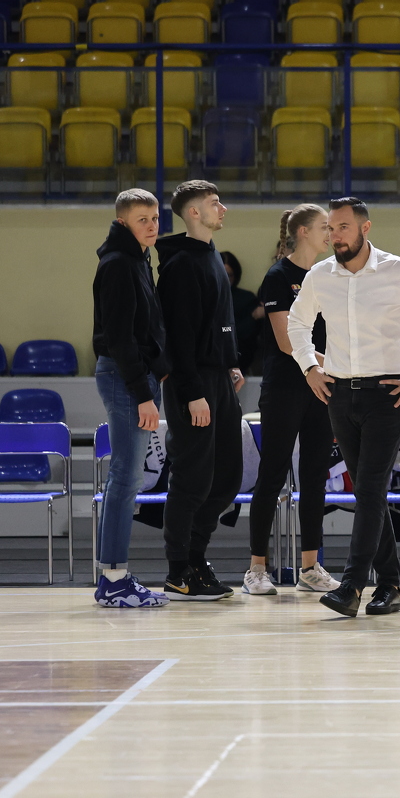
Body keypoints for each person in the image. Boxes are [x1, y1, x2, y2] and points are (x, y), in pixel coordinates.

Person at [290, 198, 400, 618]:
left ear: (365, 228)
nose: (335, 236)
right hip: (339, 392)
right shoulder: (320, 276)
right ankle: (390, 585)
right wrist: (309, 366)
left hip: (388, 394)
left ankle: (351, 586)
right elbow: (297, 322)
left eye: (343, 227)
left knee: (368, 490)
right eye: (330, 228)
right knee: (369, 494)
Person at [241, 204, 339, 596]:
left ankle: (310, 568)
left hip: (322, 388)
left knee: (315, 476)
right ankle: (256, 569)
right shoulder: (279, 276)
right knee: (272, 474)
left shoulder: (329, 274)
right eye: (324, 227)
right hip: (285, 388)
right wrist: (337, 363)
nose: (330, 233)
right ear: (302, 232)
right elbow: (286, 341)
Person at [155, 180, 244, 601]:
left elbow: (216, 322)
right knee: (191, 479)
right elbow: (178, 337)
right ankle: (178, 571)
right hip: (193, 384)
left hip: (218, 378)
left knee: (226, 478)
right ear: (194, 212)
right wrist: (192, 392)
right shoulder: (180, 266)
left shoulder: (210, 256)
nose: (222, 208)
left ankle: (195, 558)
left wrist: (230, 362)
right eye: (214, 203)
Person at [90, 190, 172, 608]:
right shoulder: (119, 264)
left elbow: (147, 328)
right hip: (125, 378)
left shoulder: (138, 257)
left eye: (155, 218)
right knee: (124, 479)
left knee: (127, 479)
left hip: (134, 376)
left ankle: (114, 577)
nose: (152, 225)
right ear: (123, 222)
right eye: (143, 219)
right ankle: (113, 580)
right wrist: (143, 394)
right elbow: (120, 339)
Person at [220, 251, 264, 373]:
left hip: (239, 359)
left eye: (228, 275)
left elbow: (248, 334)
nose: (224, 279)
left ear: (235, 276)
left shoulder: (246, 299)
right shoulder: (205, 298)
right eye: (221, 274)